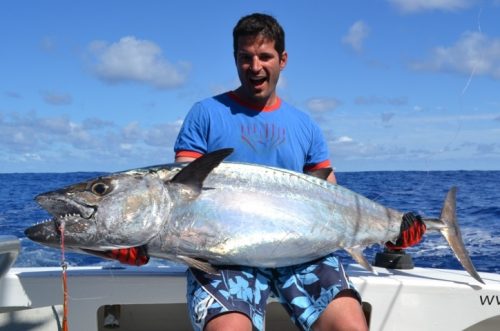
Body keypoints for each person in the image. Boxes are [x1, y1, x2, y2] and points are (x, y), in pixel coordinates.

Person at [106, 12, 426, 331]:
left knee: (350, 326)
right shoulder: (206, 114)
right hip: (226, 257)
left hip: (303, 255)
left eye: (264, 56)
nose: (255, 67)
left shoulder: (305, 125)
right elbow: (179, 197)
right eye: (246, 57)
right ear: (235, 59)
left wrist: (390, 233)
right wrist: (139, 238)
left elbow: (334, 200)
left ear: (282, 59)